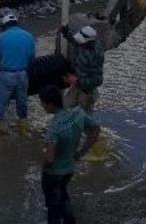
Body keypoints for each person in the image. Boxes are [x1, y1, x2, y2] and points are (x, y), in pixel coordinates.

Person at [39, 85, 100, 224]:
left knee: (53, 208)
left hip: (53, 173)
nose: (41, 106)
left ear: (49, 104)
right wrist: (81, 152)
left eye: (42, 103)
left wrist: (42, 165)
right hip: (69, 169)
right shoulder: (78, 113)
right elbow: (95, 130)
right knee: (64, 197)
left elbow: (49, 159)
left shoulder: (54, 127)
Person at [0, 14, 36, 138]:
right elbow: (31, 58)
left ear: (5, 25)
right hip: (22, 74)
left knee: (1, 103)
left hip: (6, 75)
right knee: (22, 103)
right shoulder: (28, 36)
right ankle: (23, 130)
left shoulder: (1, 37)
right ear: (17, 23)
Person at [58, 25, 104, 113]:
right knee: (66, 111)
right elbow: (75, 42)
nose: (79, 43)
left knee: (82, 118)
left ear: (89, 42)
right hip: (76, 86)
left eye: (81, 41)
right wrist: (66, 33)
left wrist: (77, 81)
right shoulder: (83, 44)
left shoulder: (96, 55)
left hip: (86, 92)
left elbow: (98, 80)